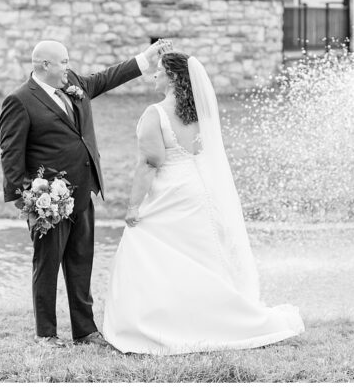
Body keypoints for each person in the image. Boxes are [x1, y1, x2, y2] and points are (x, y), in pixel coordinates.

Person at [102, 50, 304, 354]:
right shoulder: (199, 113)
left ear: (172, 78)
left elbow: (150, 162)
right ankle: (215, 318)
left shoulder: (155, 114)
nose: (155, 75)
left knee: (144, 243)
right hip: (197, 192)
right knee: (202, 256)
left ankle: (160, 324)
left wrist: (133, 207)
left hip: (169, 193)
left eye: (159, 71)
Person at [0, 37, 169, 348]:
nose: (68, 66)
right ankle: (46, 334)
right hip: (48, 201)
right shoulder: (20, 100)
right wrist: (28, 199)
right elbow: (11, 154)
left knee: (81, 262)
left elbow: (106, 78)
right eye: (63, 62)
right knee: (47, 265)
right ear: (44, 65)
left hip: (83, 190)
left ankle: (85, 331)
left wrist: (145, 58)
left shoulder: (73, 83)